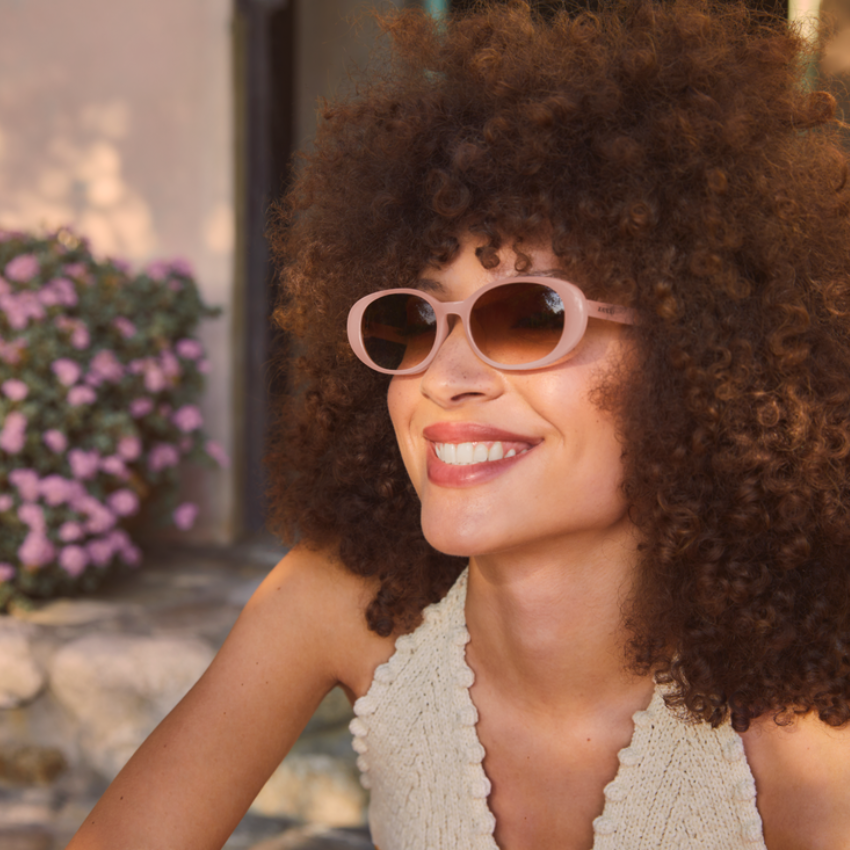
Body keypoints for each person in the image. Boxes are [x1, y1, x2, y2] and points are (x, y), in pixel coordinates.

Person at [68, 1, 850, 848]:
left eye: (528, 317)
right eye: (413, 322)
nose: (445, 375)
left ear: (704, 356)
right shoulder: (341, 603)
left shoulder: (801, 739)